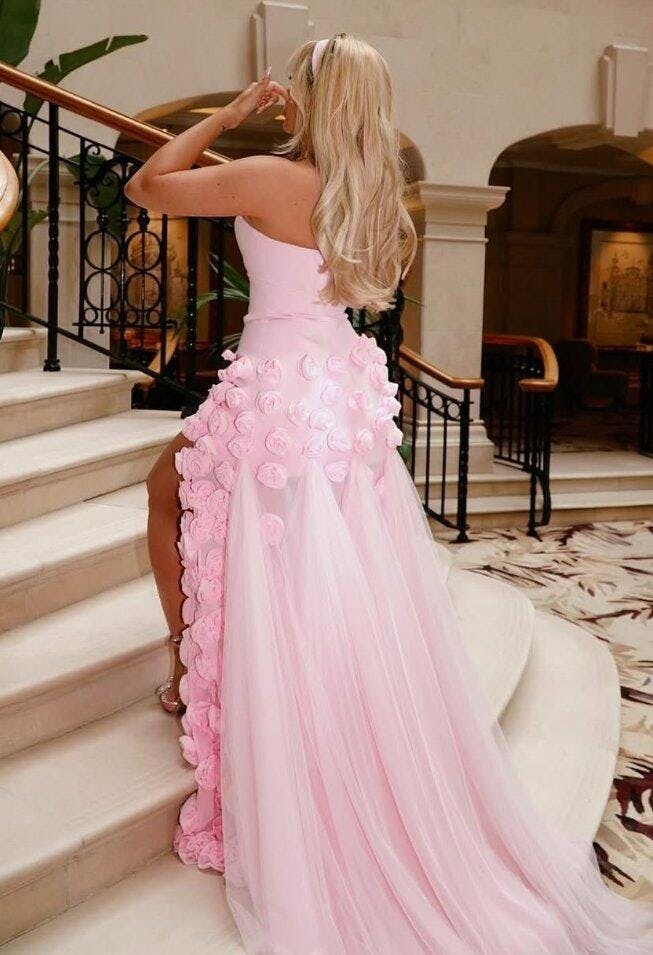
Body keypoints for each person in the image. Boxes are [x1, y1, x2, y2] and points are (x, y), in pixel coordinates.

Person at [124, 33, 653, 955]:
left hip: (279, 388)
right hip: (338, 391)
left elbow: (148, 184)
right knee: (313, 558)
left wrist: (232, 114)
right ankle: (265, 683)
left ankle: (189, 664)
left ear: (311, 96)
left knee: (172, 497)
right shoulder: (376, 196)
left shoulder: (269, 176)